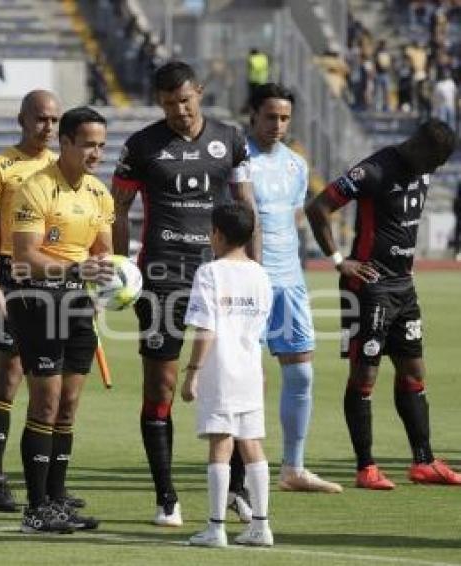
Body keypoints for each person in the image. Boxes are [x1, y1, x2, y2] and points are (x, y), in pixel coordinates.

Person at [111, 60, 258, 527]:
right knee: (161, 386)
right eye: (170, 103)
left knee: (232, 380)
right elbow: (118, 209)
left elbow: (246, 206)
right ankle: (166, 497)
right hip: (162, 274)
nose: (179, 110)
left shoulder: (231, 139)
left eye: (185, 100)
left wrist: (254, 268)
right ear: (159, 102)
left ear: (199, 91)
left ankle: (236, 491)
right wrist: (120, 269)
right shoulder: (141, 145)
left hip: (222, 275)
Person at [305, 119, 461, 490]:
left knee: (414, 370)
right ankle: (366, 467)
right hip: (368, 286)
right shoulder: (373, 170)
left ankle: (423, 461)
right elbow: (319, 206)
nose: (436, 170)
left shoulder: (421, 169)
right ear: (421, 147)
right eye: (435, 161)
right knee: (365, 374)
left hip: (403, 287)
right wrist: (340, 260)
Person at [8, 106, 113, 534]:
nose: (96, 153)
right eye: (88, 144)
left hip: (79, 304)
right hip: (39, 301)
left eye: (101, 145)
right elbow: (24, 256)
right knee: (46, 404)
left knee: (68, 407)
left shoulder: (99, 194)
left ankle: (56, 501)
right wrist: (74, 270)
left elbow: (104, 250)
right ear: (65, 142)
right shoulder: (35, 188)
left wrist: (111, 276)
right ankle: (35, 509)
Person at [240, 83, 343, 494]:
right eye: (270, 117)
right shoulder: (239, 158)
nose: (278, 125)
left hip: (291, 282)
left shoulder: (297, 165)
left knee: (301, 374)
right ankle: (247, 469)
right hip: (249, 281)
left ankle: (293, 468)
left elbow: (292, 219)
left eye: (284, 118)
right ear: (253, 115)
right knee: (248, 378)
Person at [0, 90, 60, 512]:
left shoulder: (60, 167)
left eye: (54, 120)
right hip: (10, 273)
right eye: (41, 118)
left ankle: (46, 488)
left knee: (51, 383)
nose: (48, 127)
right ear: (22, 119)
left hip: (51, 279)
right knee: (9, 378)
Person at [181, 202, 274, 548]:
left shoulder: (210, 273)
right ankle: (261, 525)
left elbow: (206, 328)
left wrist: (192, 372)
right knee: (252, 442)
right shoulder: (261, 274)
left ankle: (215, 526)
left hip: (221, 369)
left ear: (216, 234)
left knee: (221, 441)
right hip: (250, 367)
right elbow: (259, 329)